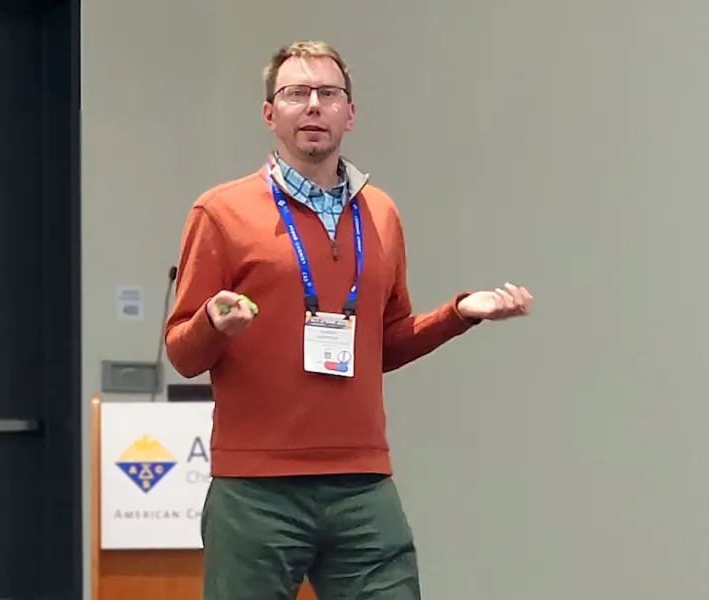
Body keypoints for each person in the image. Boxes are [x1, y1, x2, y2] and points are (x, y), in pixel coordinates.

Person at [165, 40, 533, 600]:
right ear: (270, 114)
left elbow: (385, 344)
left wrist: (459, 314)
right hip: (255, 489)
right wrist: (213, 324)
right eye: (295, 93)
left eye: (328, 93)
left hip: (361, 482)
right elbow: (183, 355)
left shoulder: (380, 213)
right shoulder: (220, 212)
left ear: (349, 114)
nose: (313, 104)